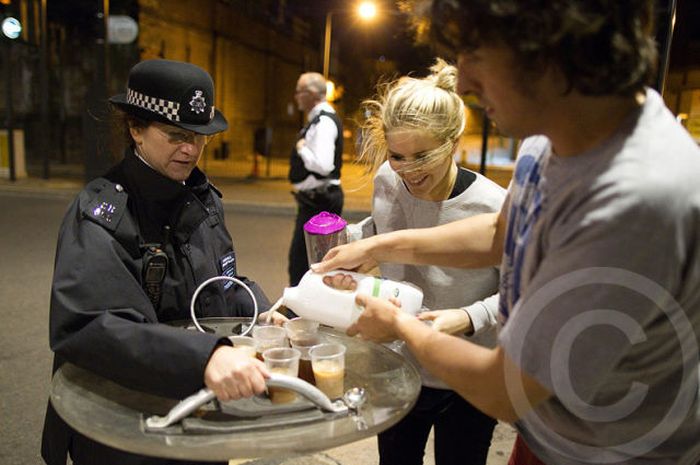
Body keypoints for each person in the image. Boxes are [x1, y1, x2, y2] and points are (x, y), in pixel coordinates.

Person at [314, 1, 700, 464]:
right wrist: (378, 244)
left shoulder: (634, 200)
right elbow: (502, 234)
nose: (464, 82)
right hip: (551, 438)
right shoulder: (549, 136)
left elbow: (506, 389)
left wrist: (399, 325)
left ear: (548, 48)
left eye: (476, 54)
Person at [41, 59, 284, 465]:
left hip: (197, 414)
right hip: (126, 429)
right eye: (176, 135)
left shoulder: (200, 197)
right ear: (135, 129)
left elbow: (218, 283)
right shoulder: (103, 213)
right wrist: (204, 357)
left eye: (199, 136)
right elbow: (92, 325)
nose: (191, 149)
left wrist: (262, 310)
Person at [347, 58, 505, 465]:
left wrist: (467, 317)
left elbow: (521, 293)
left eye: (422, 156)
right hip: (399, 366)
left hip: (467, 375)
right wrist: (345, 245)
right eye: (397, 155)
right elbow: (380, 227)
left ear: (454, 143)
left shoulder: (493, 207)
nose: (408, 171)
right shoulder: (388, 180)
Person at [288, 71, 344, 286]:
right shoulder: (318, 119)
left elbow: (323, 166)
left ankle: (303, 305)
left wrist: (302, 149)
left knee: (304, 265)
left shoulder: (323, 122)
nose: (296, 96)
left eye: (299, 91)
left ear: (312, 94)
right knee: (307, 263)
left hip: (319, 201)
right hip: (316, 200)